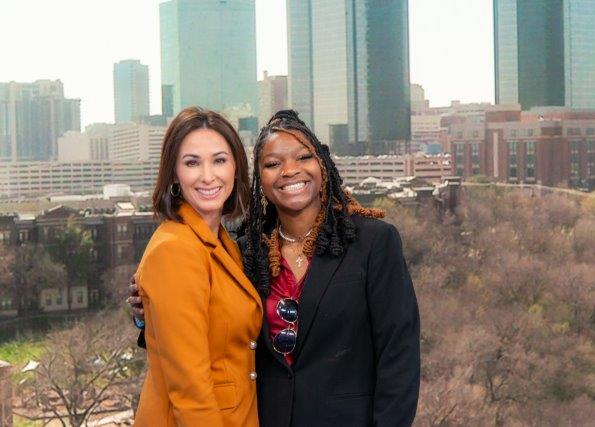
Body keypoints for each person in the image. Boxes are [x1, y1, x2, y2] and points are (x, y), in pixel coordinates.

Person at [130, 110, 420, 426]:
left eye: (303, 157)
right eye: (272, 164)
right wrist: (148, 312)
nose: (290, 171)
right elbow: (204, 331)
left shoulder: (372, 242)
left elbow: (399, 355)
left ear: (323, 164)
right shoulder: (247, 252)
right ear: (258, 178)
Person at [132, 107, 262, 427]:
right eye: (192, 163)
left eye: (219, 160)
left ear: (236, 167)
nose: (207, 176)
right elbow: (190, 392)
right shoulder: (175, 250)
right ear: (174, 173)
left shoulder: (222, 243)